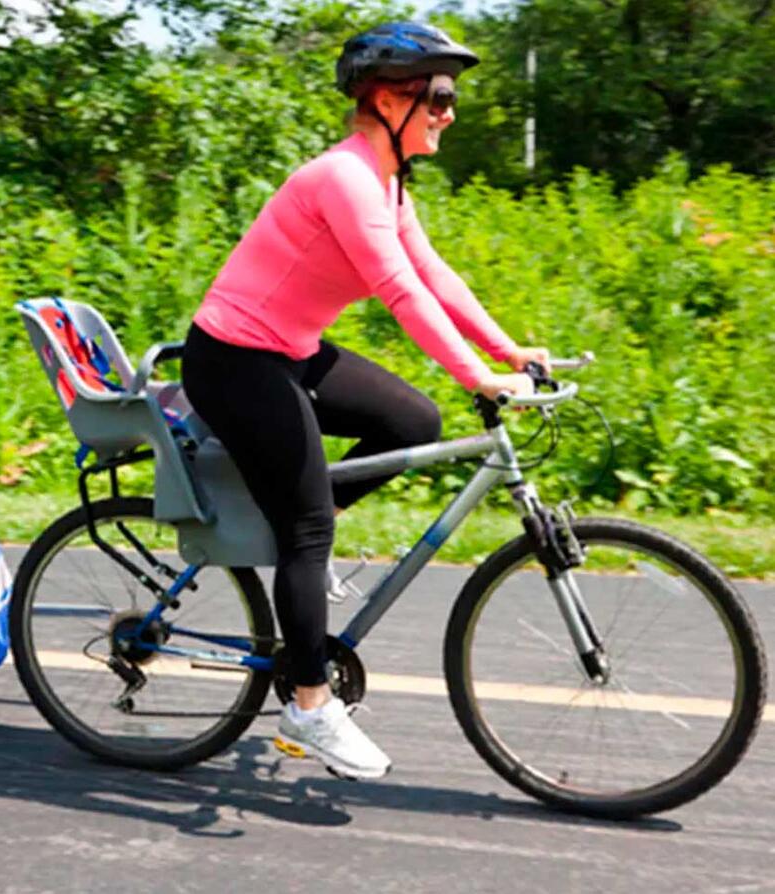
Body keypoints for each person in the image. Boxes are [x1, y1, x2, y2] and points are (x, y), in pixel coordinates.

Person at [180, 21, 550, 780]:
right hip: (235, 361)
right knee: (307, 528)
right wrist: (476, 377)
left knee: (411, 420)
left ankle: (297, 541)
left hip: (288, 349)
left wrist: (507, 350)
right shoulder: (343, 178)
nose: (450, 112)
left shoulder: (383, 181)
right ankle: (308, 706)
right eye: (439, 96)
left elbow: (435, 274)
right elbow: (398, 292)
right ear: (387, 99)